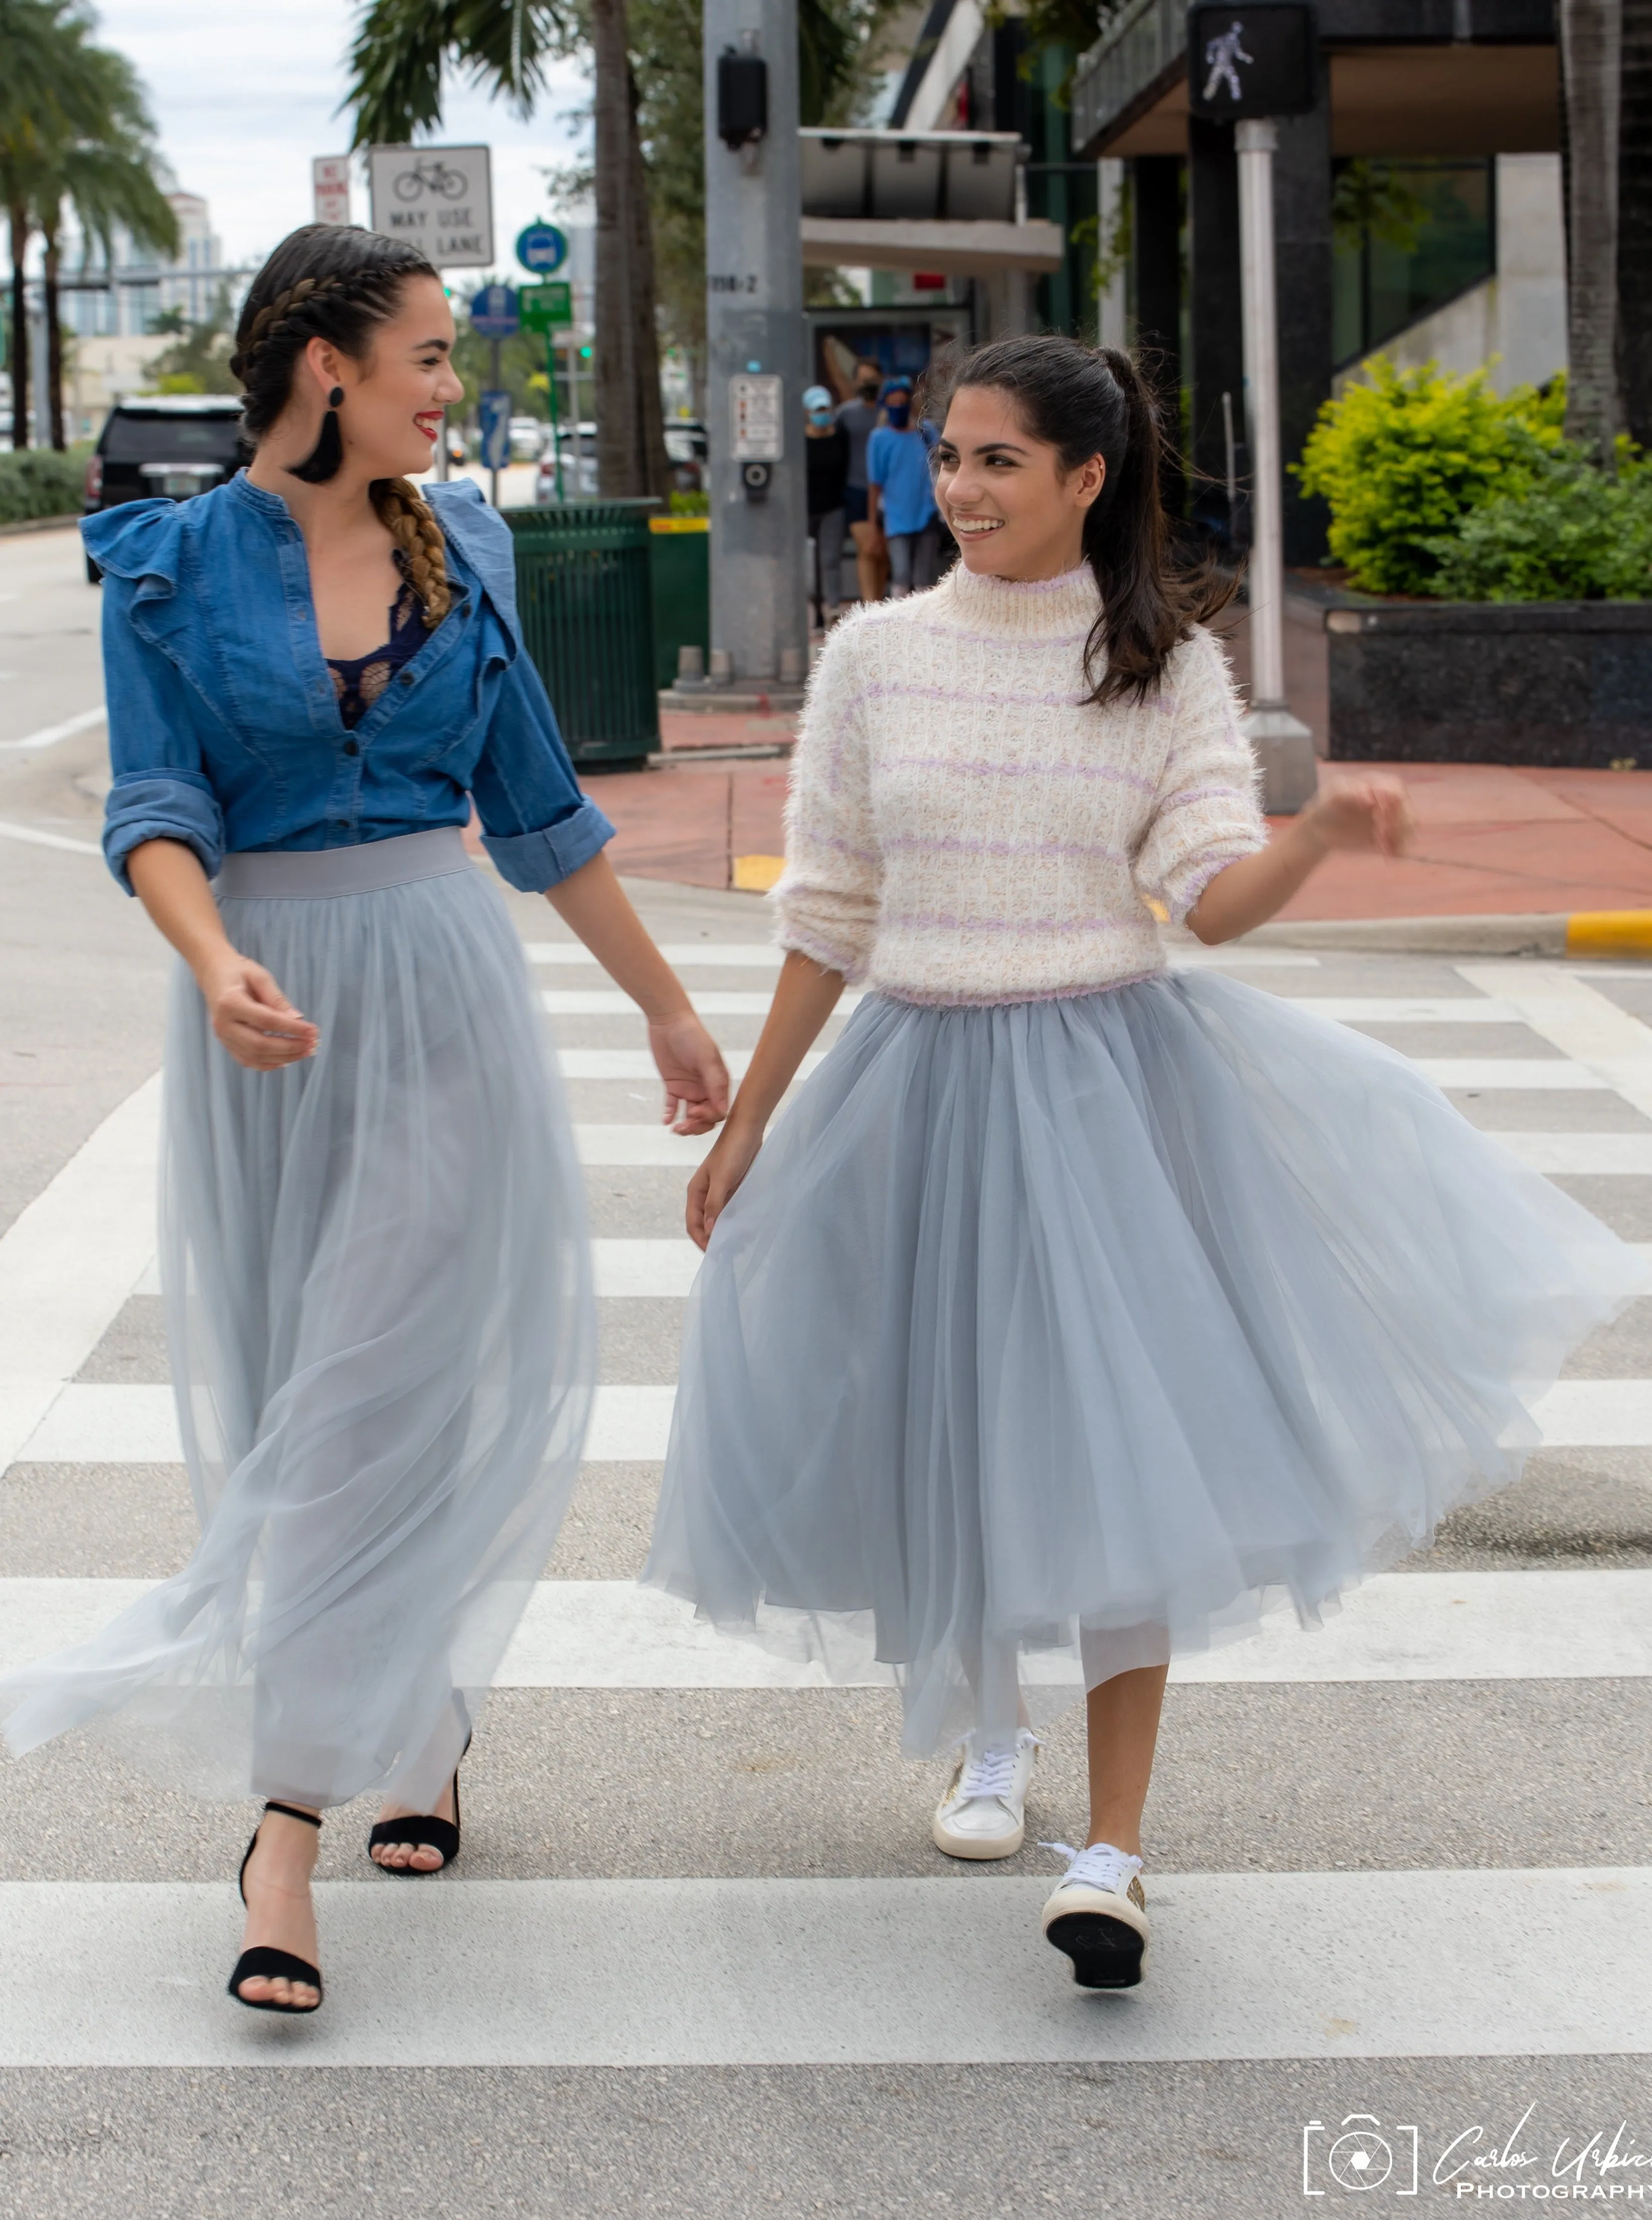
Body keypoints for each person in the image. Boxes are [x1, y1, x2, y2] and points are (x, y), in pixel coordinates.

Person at [644, 335, 1647, 1993]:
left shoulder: (1157, 667)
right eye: (947, 456)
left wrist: (1312, 833)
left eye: (996, 462)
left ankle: (1108, 1844)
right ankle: (980, 1733)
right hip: (910, 1078)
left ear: (1085, 477)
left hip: (1103, 1084)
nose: (959, 488)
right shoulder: (874, 655)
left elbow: (1207, 893)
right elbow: (828, 907)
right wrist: (750, 1116)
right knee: (945, 1420)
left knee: (1123, 1450)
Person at [0, 224, 729, 2017]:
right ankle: (416, 1708)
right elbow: (156, 803)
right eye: (423, 352)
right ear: (322, 361)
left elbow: (540, 807)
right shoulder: (165, 564)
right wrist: (206, 953)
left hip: (441, 994)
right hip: (267, 1010)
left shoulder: (462, 543)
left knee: (368, 1394)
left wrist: (665, 1005)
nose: (446, 388)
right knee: (294, 1381)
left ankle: (282, 1833)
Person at [866, 377, 939, 598]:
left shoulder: (926, 432)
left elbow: (941, 468)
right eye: (893, 402)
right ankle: (898, 621)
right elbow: (875, 485)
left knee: (923, 576)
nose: (898, 406)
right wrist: (873, 526)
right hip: (896, 517)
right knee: (901, 573)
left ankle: (922, 626)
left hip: (927, 513)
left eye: (902, 401)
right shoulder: (879, 439)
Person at [835, 360, 888, 605]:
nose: (868, 384)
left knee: (884, 552)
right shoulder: (846, 414)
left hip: (889, 492)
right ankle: (868, 607)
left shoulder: (890, 413)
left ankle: (878, 603)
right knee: (867, 549)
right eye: (864, 379)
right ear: (855, 382)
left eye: (873, 378)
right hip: (857, 489)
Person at [803, 384, 849, 632]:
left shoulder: (840, 437)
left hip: (833, 507)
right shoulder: (801, 442)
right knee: (811, 564)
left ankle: (832, 608)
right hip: (806, 510)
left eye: (825, 408)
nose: (822, 413)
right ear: (808, 412)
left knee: (830, 559)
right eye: (817, 409)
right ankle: (816, 609)